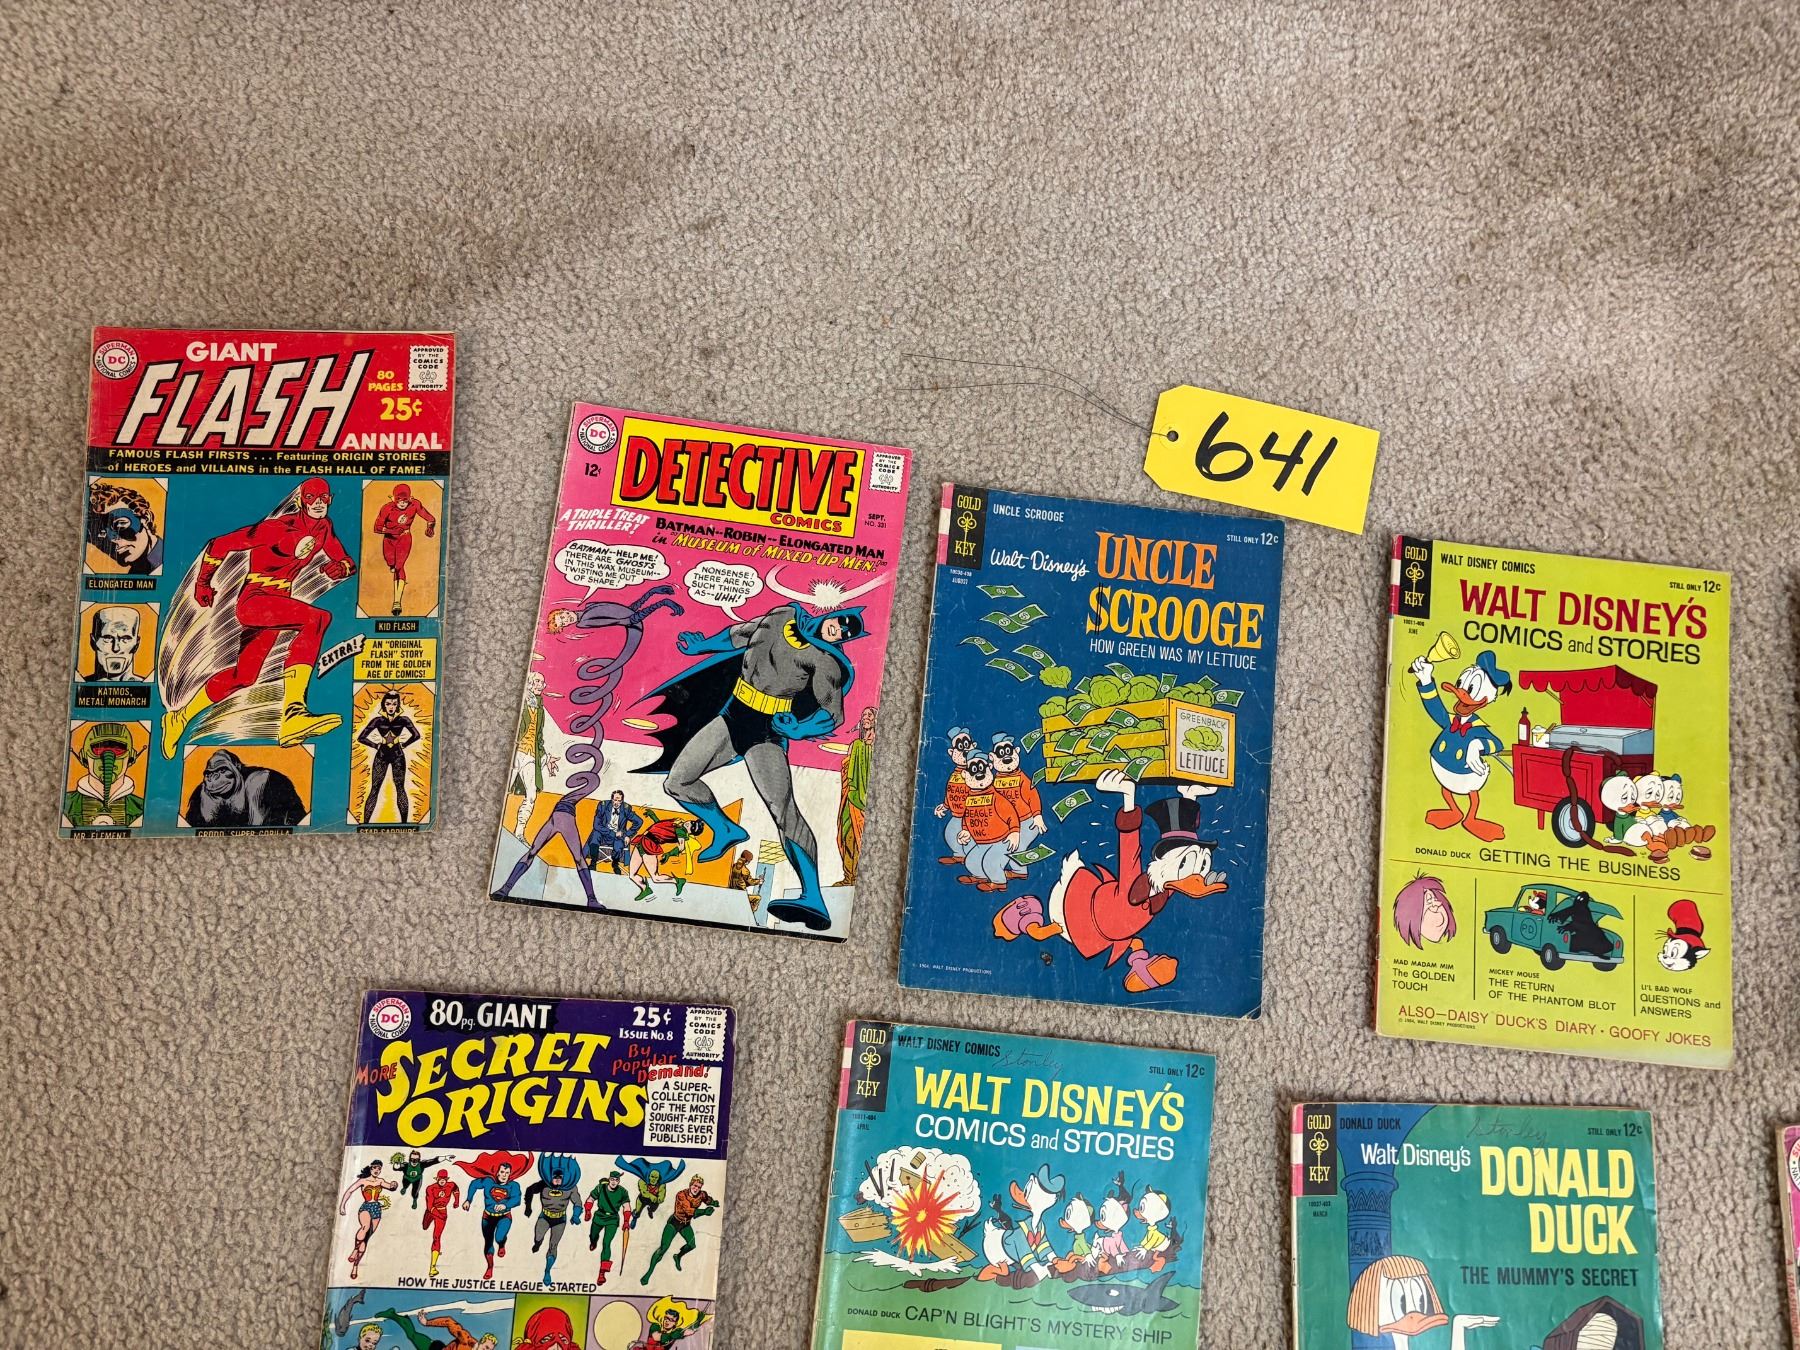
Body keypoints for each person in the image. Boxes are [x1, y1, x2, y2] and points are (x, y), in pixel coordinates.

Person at [638, 603, 867, 930]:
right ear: (831, 613)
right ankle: (726, 829)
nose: (840, 629)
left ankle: (813, 898)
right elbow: (740, 634)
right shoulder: (783, 615)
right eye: (842, 621)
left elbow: (833, 714)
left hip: (766, 733)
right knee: (678, 782)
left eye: (847, 632)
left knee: (784, 812)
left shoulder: (824, 661)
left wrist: (799, 729)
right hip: (733, 716)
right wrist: (702, 646)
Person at [160, 477, 354, 757]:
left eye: (324, 498)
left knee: (244, 676)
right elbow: (219, 544)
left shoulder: (324, 527)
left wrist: (342, 568)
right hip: (255, 601)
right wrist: (203, 582)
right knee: (317, 619)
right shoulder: (276, 528)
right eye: (312, 498)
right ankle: (293, 713)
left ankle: (179, 717)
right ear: (300, 500)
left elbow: (344, 559)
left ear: (330, 500)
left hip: (278, 604)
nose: (318, 504)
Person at [459, 1150, 531, 1281]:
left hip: (504, 1217)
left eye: (507, 1173)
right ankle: (490, 1267)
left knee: (499, 1237)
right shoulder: (488, 1181)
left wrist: (505, 1205)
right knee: (488, 1242)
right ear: (497, 1172)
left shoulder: (513, 1185)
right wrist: (468, 1200)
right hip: (487, 1217)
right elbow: (474, 1184)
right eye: (502, 1172)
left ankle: (502, 1244)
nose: (504, 1175)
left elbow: (517, 1200)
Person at [639, 1174, 719, 1283]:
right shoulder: (681, 1195)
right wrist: (704, 1211)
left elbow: (707, 1199)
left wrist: (714, 1203)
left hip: (685, 1225)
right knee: (663, 1248)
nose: (696, 1189)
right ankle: (648, 1273)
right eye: (695, 1186)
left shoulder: (702, 1194)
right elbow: (689, 1210)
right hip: (674, 1223)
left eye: (699, 1187)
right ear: (690, 1185)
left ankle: (678, 1256)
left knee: (691, 1245)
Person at [371, 482, 436, 615]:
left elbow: (431, 518)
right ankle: (392, 565)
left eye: (405, 500)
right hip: (389, 540)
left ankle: (397, 602)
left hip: (404, 538)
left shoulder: (415, 504)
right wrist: (391, 531)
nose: (402, 503)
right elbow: (377, 528)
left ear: (410, 498)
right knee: (391, 564)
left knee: (399, 567)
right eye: (399, 500)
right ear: (393, 499)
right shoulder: (387, 508)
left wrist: (430, 527)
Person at [359, 690, 423, 823]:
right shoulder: (377, 721)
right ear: (384, 705)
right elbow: (361, 737)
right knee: (374, 789)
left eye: (394, 704)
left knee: (400, 788)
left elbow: (416, 735)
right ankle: (365, 824)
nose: (391, 707)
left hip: (397, 757)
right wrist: (375, 745)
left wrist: (404, 744)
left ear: (398, 705)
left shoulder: (404, 720)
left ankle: (404, 824)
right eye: (388, 704)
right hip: (381, 757)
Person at [63, 722, 144, 828]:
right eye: (98, 749)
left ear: (131, 757)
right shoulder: (67, 804)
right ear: (84, 757)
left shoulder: (140, 807)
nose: (108, 758)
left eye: (118, 750)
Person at [834, 704, 877, 885]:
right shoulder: (856, 745)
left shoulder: (877, 746)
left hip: (866, 799)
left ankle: (860, 877)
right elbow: (846, 769)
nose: (866, 717)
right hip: (851, 796)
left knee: (863, 837)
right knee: (847, 835)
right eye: (864, 714)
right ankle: (849, 876)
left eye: (870, 715)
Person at [86, 479, 163, 574]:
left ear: (146, 518)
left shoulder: (170, 559)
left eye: (120, 524)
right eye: (103, 532)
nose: (112, 539)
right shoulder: (136, 573)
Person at [338, 1160, 398, 1279]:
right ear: (370, 1168)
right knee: (365, 1227)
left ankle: (355, 1266)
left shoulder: (380, 1181)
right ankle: (355, 1249)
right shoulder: (363, 1181)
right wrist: (342, 1205)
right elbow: (349, 1191)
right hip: (366, 1207)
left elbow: (390, 1187)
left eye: (379, 1169)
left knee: (366, 1240)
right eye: (375, 1168)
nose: (377, 1170)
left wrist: (394, 1185)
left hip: (376, 1209)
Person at [584, 1169, 632, 1285]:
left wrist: (626, 1221)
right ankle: (593, 1242)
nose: (614, 1182)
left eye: (616, 1180)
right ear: (609, 1179)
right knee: (593, 1236)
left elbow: (627, 1207)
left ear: (619, 1181)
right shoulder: (600, 1188)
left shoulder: (623, 1192)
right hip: (599, 1216)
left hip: (612, 1219)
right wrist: (588, 1210)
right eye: (612, 1179)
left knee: (606, 1243)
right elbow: (590, 1199)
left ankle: (602, 1273)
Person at [585, 790, 642, 875]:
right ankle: (593, 863)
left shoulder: (626, 809)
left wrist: (627, 835)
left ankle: (615, 864)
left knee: (619, 845)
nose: (617, 803)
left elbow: (639, 821)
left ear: (622, 801)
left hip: (618, 837)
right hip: (603, 833)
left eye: (619, 801)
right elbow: (596, 825)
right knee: (595, 837)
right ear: (611, 799)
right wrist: (613, 833)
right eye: (615, 800)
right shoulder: (603, 806)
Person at [86, 605, 145, 681]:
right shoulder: (83, 684)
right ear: (93, 642)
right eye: (108, 638)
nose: (116, 648)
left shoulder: (146, 685)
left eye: (125, 638)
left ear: (136, 644)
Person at [421, 1167, 459, 1278]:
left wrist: (456, 1201)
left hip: (442, 1212)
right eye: (440, 1179)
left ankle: (433, 1266)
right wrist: (438, 1214)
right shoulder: (431, 1188)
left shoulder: (451, 1185)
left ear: (447, 1179)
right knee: (424, 1227)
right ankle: (435, 1250)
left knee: (436, 1237)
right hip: (431, 1211)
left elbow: (456, 1189)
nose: (442, 1181)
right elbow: (429, 1206)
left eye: (444, 1179)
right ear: (437, 1179)